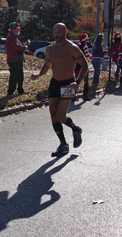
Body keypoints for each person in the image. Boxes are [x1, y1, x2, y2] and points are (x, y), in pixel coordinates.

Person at [31, 23, 88, 157]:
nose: (57, 35)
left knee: (61, 116)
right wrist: (38, 75)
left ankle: (76, 129)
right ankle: (63, 144)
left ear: (65, 32)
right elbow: (46, 65)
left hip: (69, 84)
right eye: (55, 32)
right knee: (53, 115)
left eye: (59, 32)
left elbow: (85, 65)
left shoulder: (73, 48)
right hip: (55, 83)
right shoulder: (50, 49)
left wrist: (77, 82)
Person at [5, 22, 30, 96]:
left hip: (17, 59)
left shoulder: (13, 36)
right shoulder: (11, 37)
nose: (19, 30)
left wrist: (24, 44)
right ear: (13, 29)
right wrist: (25, 47)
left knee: (20, 75)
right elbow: (16, 47)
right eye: (17, 29)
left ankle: (20, 90)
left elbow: (18, 46)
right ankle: (10, 92)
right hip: (14, 59)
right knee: (14, 76)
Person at [74, 33, 93, 101]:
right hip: (83, 65)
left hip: (76, 65)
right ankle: (85, 96)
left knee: (76, 80)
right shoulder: (84, 45)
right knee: (86, 81)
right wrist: (91, 55)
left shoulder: (76, 45)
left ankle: (73, 96)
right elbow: (87, 55)